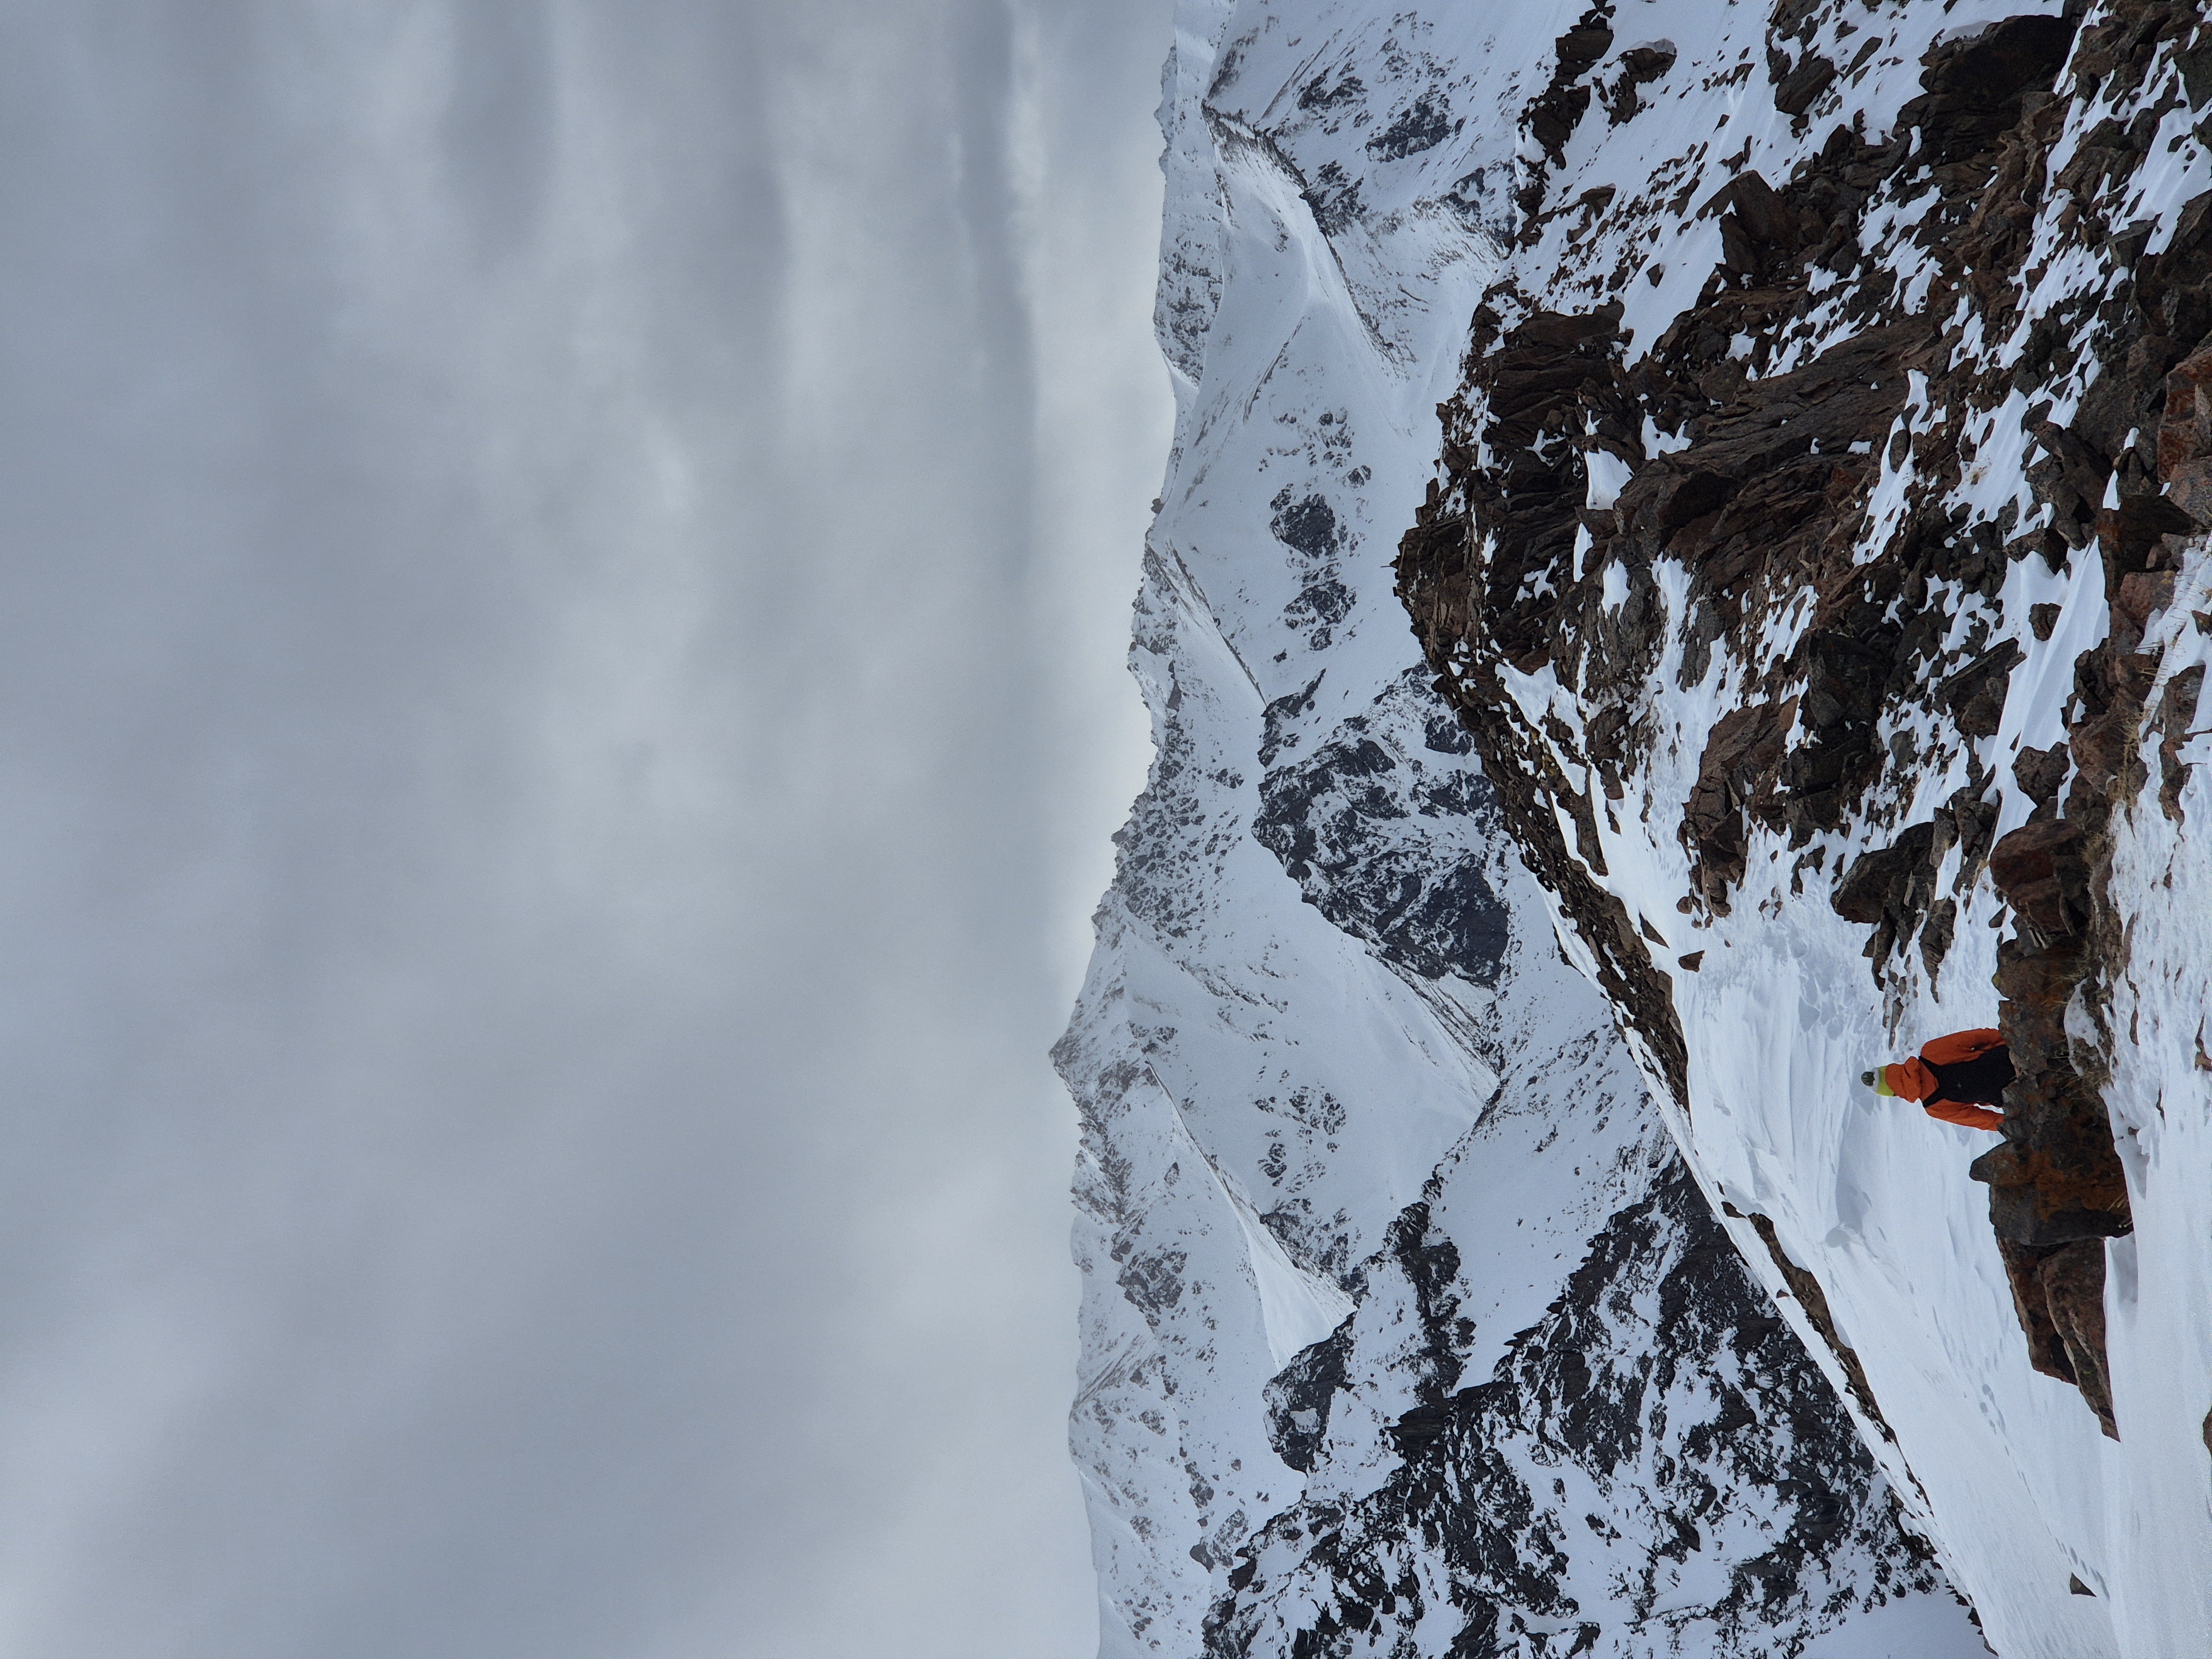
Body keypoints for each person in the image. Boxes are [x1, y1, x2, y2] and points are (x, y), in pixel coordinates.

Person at [1861, 1028, 2012, 1130]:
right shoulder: (1931, 1051)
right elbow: (1978, 1037)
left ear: (1895, 1093)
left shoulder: (1934, 1107)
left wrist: (2017, 1124)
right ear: (1893, 1068)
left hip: (2014, 1092)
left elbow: (1984, 1120)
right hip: (2010, 1055)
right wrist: (2012, 1040)